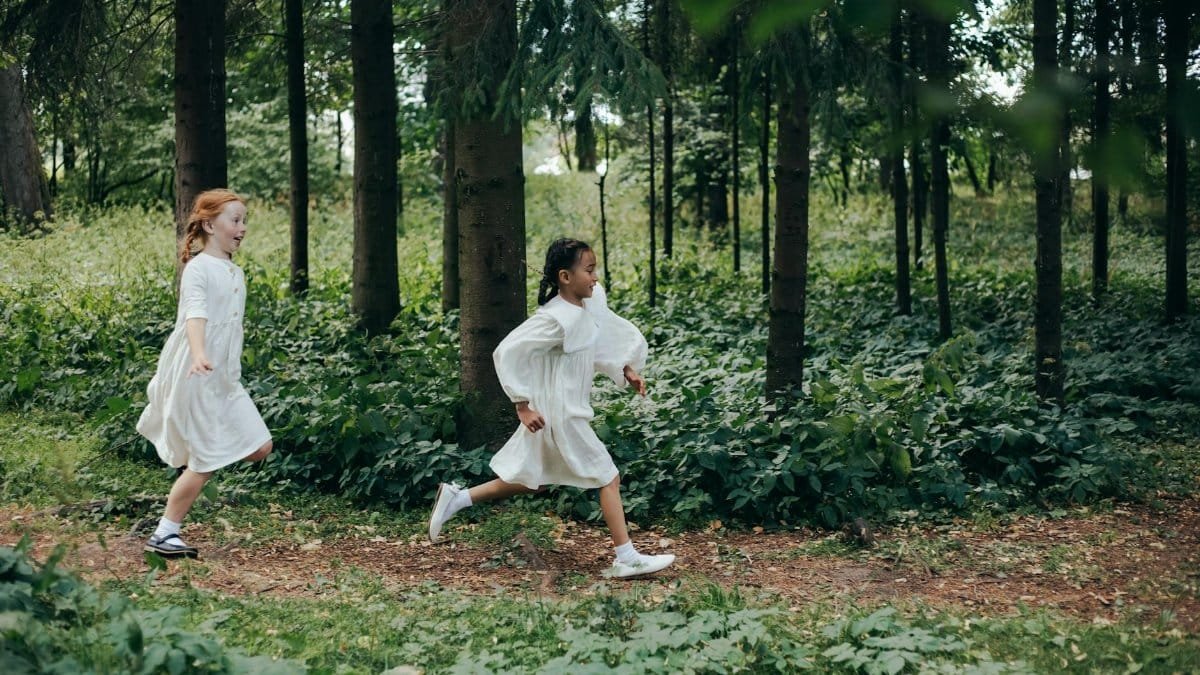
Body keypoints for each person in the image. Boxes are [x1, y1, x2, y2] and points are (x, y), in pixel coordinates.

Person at [429, 238, 674, 578]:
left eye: (595, 270)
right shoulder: (555, 320)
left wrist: (625, 368)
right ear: (564, 276)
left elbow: (599, 340)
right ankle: (626, 556)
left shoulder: (588, 307)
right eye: (589, 271)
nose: (595, 278)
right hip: (561, 415)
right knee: (609, 477)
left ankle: (457, 499)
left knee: (533, 480)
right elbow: (507, 351)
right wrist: (522, 405)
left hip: (562, 412)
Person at [137, 189, 273, 559]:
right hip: (195, 375)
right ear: (211, 225)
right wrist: (198, 354)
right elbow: (195, 315)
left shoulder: (234, 270)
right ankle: (166, 533)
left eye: (244, 221)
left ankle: (194, 460)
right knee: (207, 460)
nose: (242, 228)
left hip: (225, 380)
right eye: (235, 220)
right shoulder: (198, 268)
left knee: (260, 446)